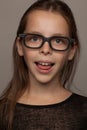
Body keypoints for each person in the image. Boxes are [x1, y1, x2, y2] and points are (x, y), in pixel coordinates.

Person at [0, 0, 87, 130]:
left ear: (71, 51)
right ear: (20, 46)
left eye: (58, 40)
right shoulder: (2, 112)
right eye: (35, 38)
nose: (46, 50)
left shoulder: (84, 111)